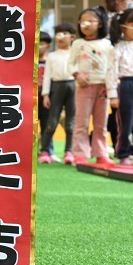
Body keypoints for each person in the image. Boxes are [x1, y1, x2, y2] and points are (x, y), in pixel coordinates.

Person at [69, 7, 117, 165]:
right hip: (83, 87)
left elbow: (111, 67)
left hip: (103, 88)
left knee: (101, 123)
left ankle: (101, 153)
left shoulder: (107, 44)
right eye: (82, 21)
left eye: (91, 21)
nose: (86, 24)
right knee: (81, 122)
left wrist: (111, 87)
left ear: (100, 24)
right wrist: (77, 75)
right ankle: (80, 154)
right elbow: (70, 64)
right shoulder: (78, 43)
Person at [38, 22, 78, 165]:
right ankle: (45, 151)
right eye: (58, 34)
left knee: (70, 122)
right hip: (57, 87)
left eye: (65, 33)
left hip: (73, 85)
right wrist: (45, 94)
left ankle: (69, 151)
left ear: (72, 37)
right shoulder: (52, 56)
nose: (61, 37)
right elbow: (47, 76)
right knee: (51, 121)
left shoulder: (76, 54)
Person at [104, 0, 133, 149]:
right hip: (116, 75)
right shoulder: (109, 20)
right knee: (121, 115)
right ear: (118, 0)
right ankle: (121, 147)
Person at [108, 8, 133, 165]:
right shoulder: (117, 48)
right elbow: (111, 72)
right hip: (126, 85)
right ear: (123, 27)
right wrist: (113, 94)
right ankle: (123, 153)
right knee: (126, 121)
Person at [37, 31, 59, 162]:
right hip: (32, 98)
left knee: (47, 125)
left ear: (48, 46)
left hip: (47, 98)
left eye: (42, 44)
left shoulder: (51, 61)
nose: (39, 46)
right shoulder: (28, 62)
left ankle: (48, 151)